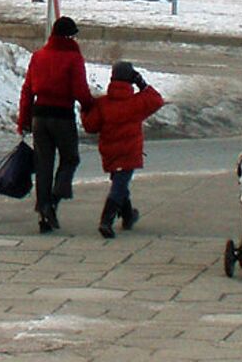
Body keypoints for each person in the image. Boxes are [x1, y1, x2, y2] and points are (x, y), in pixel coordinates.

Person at [16, 16, 97, 234]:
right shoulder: (73, 58)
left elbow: (27, 91)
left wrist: (24, 121)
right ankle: (54, 199)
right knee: (70, 158)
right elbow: (80, 91)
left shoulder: (39, 56)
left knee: (43, 164)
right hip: (62, 116)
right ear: (70, 36)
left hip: (39, 116)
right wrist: (90, 105)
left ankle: (44, 211)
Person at [81, 61, 164, 238]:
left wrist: (84, 109)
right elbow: (157, 100)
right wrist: (141, 83)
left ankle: (127, 216)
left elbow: (90, 126)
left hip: (110, 152)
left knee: (120, 183)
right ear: (131, 79)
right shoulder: (136, 102)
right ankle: (106, 221)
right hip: (129, 152)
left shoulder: (103, 104)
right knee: (119, 185)